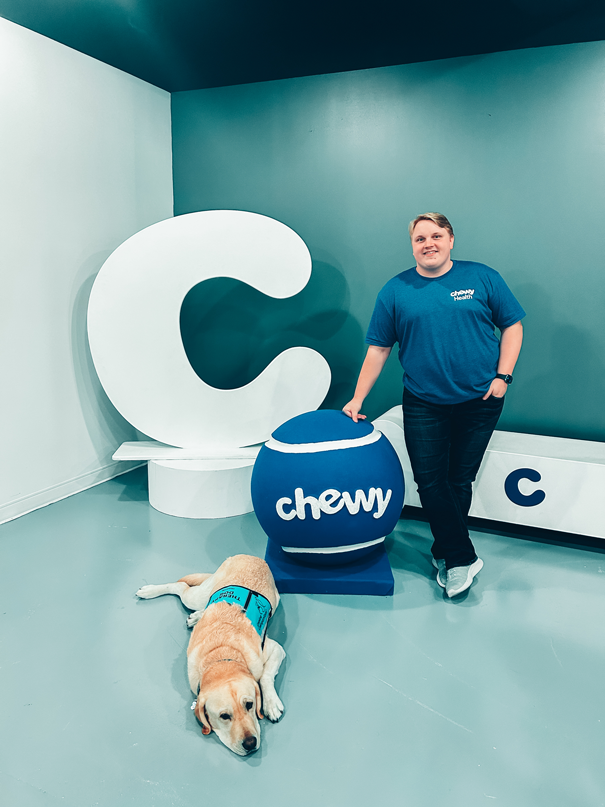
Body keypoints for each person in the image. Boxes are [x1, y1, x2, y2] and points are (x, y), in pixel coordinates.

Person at [343, 212, 525, 598]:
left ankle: (446, 551)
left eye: (436, 235)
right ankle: (462, 559)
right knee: (430, 481)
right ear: (412, 246)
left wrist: (503, 377)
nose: (429, 243)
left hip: (481, 401)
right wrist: (358, 398)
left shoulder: (482, 277)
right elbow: (378, 349)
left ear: (451, 240)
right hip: (424, 403)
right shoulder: (395, 291)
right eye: (420, 238)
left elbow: (512, 324)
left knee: (459, 480)